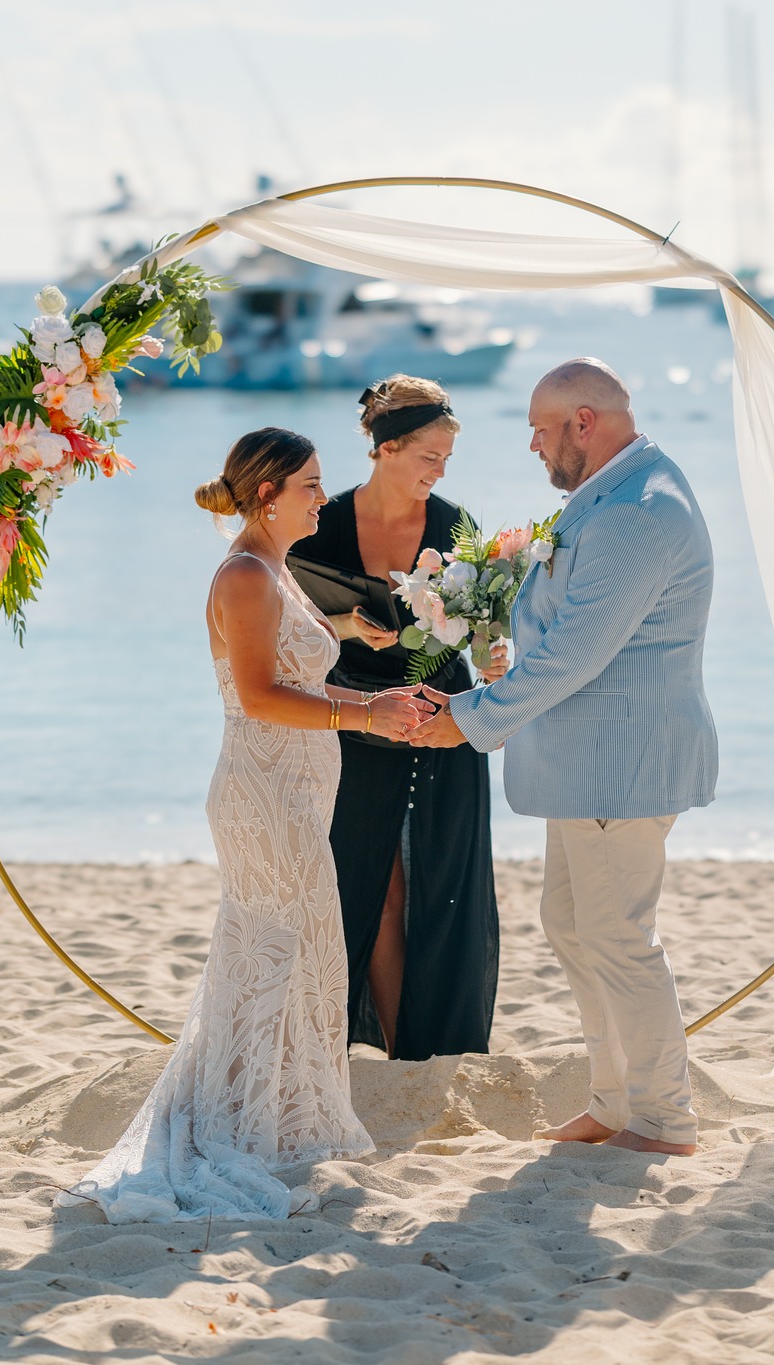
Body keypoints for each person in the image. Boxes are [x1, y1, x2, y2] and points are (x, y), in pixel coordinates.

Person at [65, 427, 431, 1223]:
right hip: (263, 792)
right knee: (271, 954)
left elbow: (285, 651)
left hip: (294, 789)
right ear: (268, 495)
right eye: (309, 485)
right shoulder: (242, 573)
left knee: (298, 953)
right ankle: (237, 1129)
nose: (322, 499)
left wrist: (346, 634)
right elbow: (261, 694)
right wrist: (367, 707)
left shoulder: (273, 570)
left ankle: (271, 1124)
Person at [407, 357, 719, 1156]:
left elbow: (580, 652)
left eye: (544, 431)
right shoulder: (614, 493)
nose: (536, 448)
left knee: (618, 935)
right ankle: (615, 1101)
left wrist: (473, 718)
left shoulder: (636, 512)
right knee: (574, 924)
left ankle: (664, 1119)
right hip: (588, 759)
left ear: (587, 422)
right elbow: (567, 630)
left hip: (621, 756)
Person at [290, 375, 502, 1061]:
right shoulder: (320, 527)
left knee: (442, 888)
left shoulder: (455, 527)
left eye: (445, 460)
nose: (438, 472)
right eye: (428, 457)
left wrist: (493, 655)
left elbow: (476, 632)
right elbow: (287, 626)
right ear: (385, 448)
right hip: (353, 717)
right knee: (370, 882)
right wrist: (350, 627)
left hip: (440, 716)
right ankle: (385, 1050)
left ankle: (430, 1055)